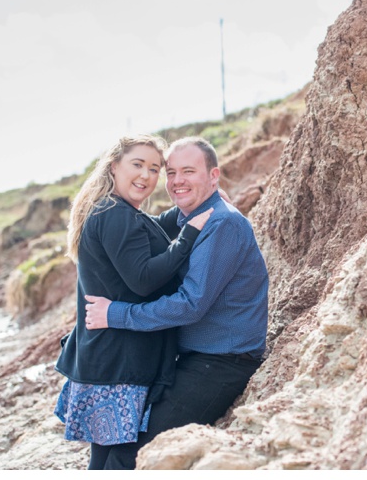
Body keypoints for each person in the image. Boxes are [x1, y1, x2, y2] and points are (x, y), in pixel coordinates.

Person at [83, 136, 269, 470]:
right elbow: (144, 229)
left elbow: (189, 305)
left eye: (188, 171)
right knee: (118, 438)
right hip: (190, 358)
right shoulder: (193, 218)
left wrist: (116, 313)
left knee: (134, 453)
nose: (177, 181)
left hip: (221, 363)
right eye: (170, 173)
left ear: (214, 176)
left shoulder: (223, 224)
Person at [54, 134, 214, 470]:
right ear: (114, 166)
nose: (146, 175)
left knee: (105, 456)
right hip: (117, 364)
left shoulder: (116, 210)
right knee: (112, 457)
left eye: (154, 168)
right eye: (137, 164)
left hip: (106, 357)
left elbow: (150, 231)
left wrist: (188, 209)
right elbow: (142, 279)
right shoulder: (116, 214)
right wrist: (189, 235)